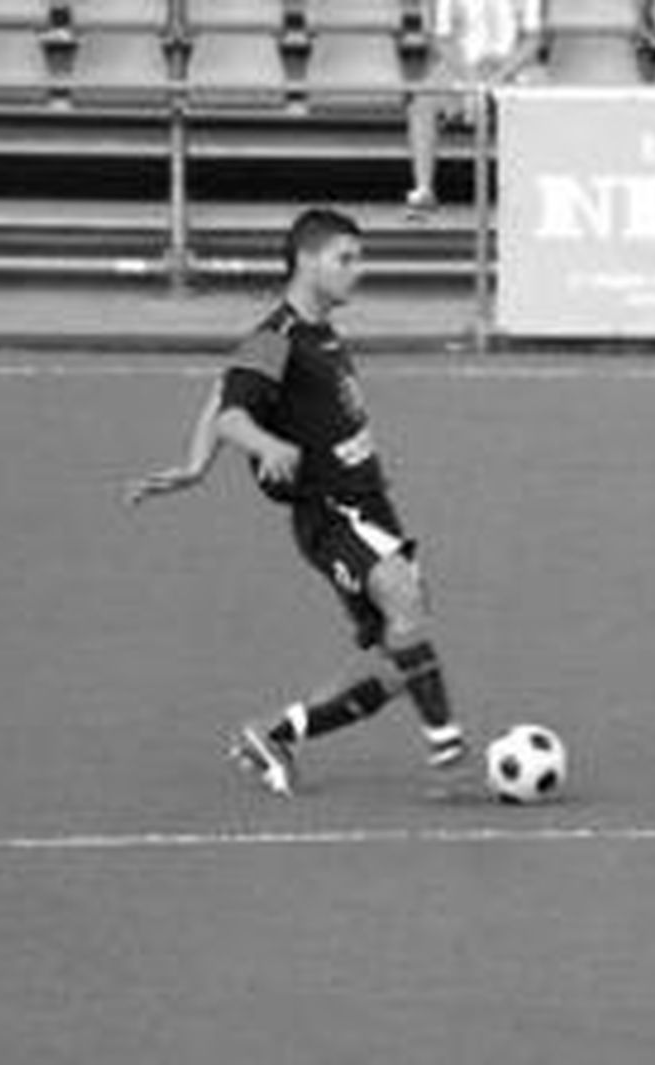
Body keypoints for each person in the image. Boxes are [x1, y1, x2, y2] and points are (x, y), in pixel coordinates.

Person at [126, 208, 470, 797]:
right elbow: (235, 412)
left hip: (371, 507)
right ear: (307, 261)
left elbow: (221, 387)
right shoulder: (277, 335)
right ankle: (451, 753)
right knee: (404, 598)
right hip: (330, 510)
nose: (357, 272)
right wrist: (264, 444)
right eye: (346, 259)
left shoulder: (316, 333)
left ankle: (270, 735)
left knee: (397, 664)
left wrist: (195, 465)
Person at [406, 0, 546, 215]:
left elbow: (533, 40)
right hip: (463, 66)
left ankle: (534, 188)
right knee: (422, 103)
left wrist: (498, 76)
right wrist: (471, 78)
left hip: (513, 64)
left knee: (545, 95)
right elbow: (443, 40)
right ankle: (424, 189)